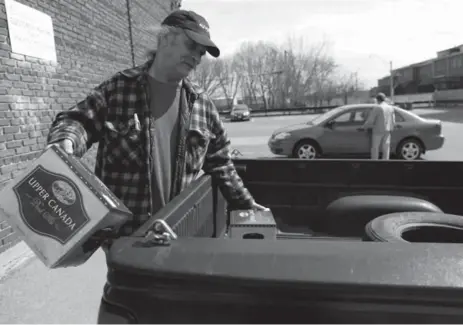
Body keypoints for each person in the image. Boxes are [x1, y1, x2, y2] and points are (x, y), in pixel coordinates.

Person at [46, 9, 268, 240]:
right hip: (125, 238)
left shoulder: (203, 106)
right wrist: (66, 139)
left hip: (178, 234)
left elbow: (221, 163)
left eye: (201, 53)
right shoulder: (119, 89)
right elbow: (78, 120)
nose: (196, 57)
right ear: (164, 38)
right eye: (191, 46)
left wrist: (247, 205)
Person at [364, 92, 396, 160]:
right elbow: (393, 120)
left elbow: (371, 120)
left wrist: (365, 126)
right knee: (386, 147)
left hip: (378, 131)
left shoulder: (378, 107)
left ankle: (375, 162)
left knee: (375, 148)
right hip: (387, 130)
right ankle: (385, 162)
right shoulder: (391, 107)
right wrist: (391, 128)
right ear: (384, 99)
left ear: (377, 99)